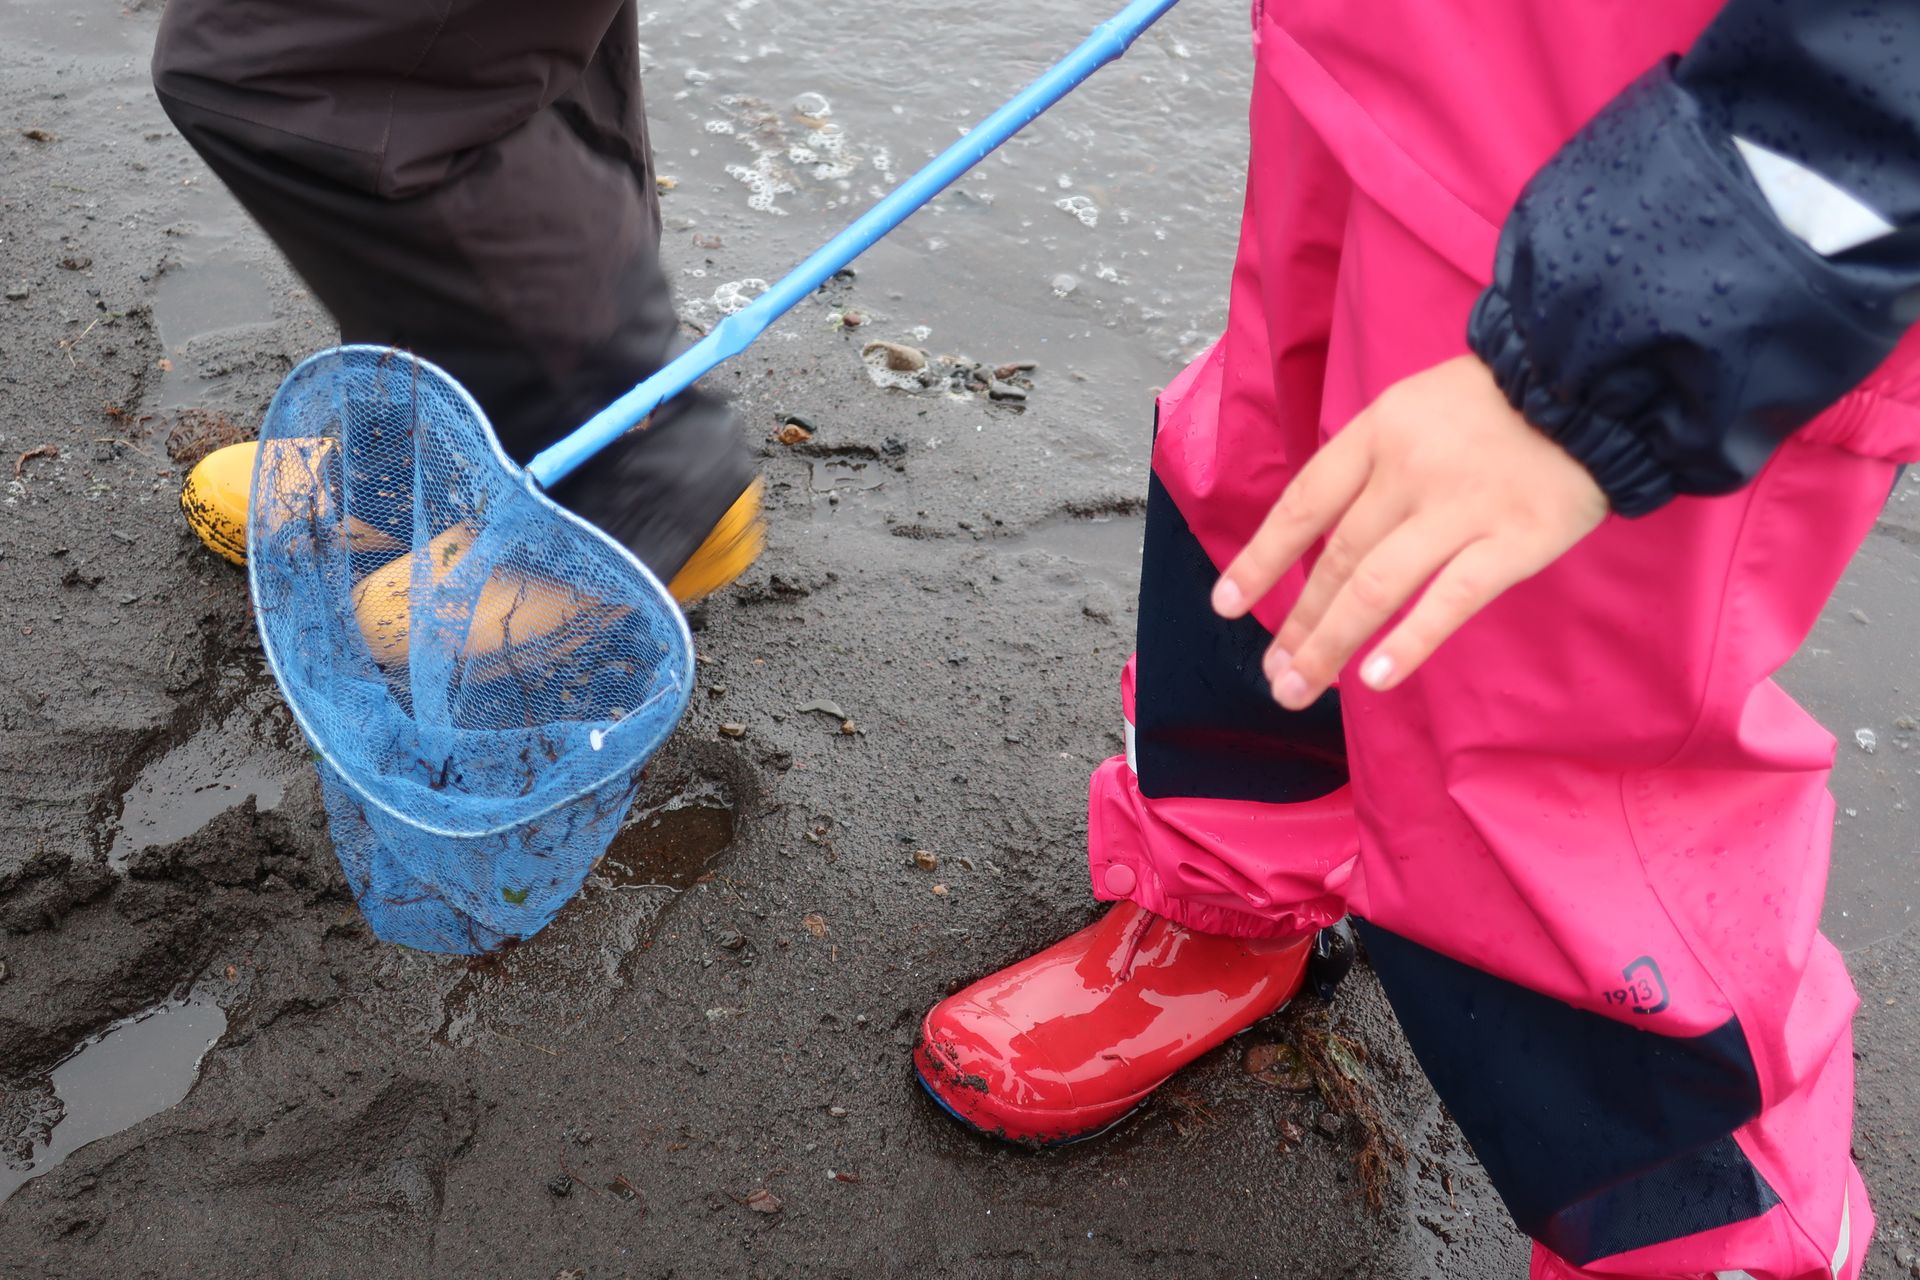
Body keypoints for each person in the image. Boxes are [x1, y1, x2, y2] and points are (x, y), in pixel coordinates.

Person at [915, 2, 1920, 1277]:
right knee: (1271, 489)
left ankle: (1707, 1235)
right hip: (1383, 59)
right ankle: (1227, 893)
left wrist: (1615, 345)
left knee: (1566, 739)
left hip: (1700, 197)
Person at [151, 0, 763, 603]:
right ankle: (435, 451)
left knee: (283, 58)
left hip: (625, 466)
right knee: (489, 50)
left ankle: (630, 480)